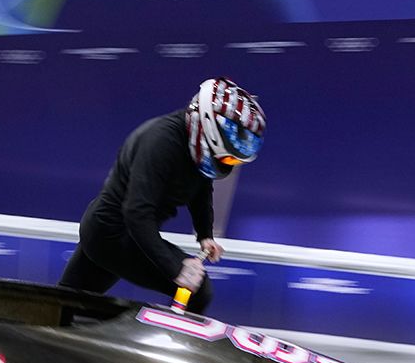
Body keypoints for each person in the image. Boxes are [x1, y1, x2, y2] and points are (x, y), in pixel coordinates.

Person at [57, 78, 266, 315]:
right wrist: (176, 269)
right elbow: (136, 214)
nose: (229, 164)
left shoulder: (195, 149)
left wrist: (205, 235)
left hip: (113, 232)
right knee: (199, 290)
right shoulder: (159, 143)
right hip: (113, 234)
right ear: (209, 129)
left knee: (63, 307)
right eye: (229, 159)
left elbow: (200, 188)